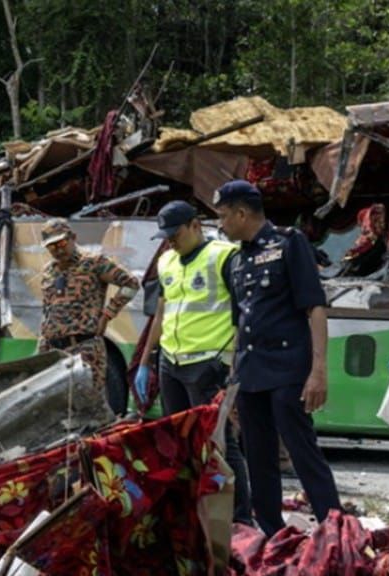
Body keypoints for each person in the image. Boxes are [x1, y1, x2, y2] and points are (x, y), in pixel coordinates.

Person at [213, 180, 342, 536]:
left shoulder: (289, 243)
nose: (220, 224)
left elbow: (314, 308)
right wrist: (233, 383)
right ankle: (270, 531)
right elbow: (242, 324)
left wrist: (319, 372)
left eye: (223, 216)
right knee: (258, 457)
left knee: (302, 452)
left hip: (288, 369)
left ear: (241, 213)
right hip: (252, 373)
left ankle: (334, 528)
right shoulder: (236, 261)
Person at [134, 200, 253, 525]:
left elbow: (244, 313)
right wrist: (145, 362)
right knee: (180, 444)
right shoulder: (167, 261)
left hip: (210, 364)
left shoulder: (224, 256)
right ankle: (192, 513)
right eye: (165, 235)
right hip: (171, 363)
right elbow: (161, 311)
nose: (170, 240)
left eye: (175, 233)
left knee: (220, 445)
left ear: (195, 225)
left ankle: (241, 519)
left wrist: (236, 366)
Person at [38, 218, 140, 397]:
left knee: (87, 405)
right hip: (52, 351)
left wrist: (108, 314)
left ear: (73, 237)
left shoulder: (94, 262)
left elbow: (131, 284)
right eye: (52, 247)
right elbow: (48, 308)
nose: (59, 250)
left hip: (84, 348)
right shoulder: (48, 271)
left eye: (62, 243)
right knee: (55, 407)